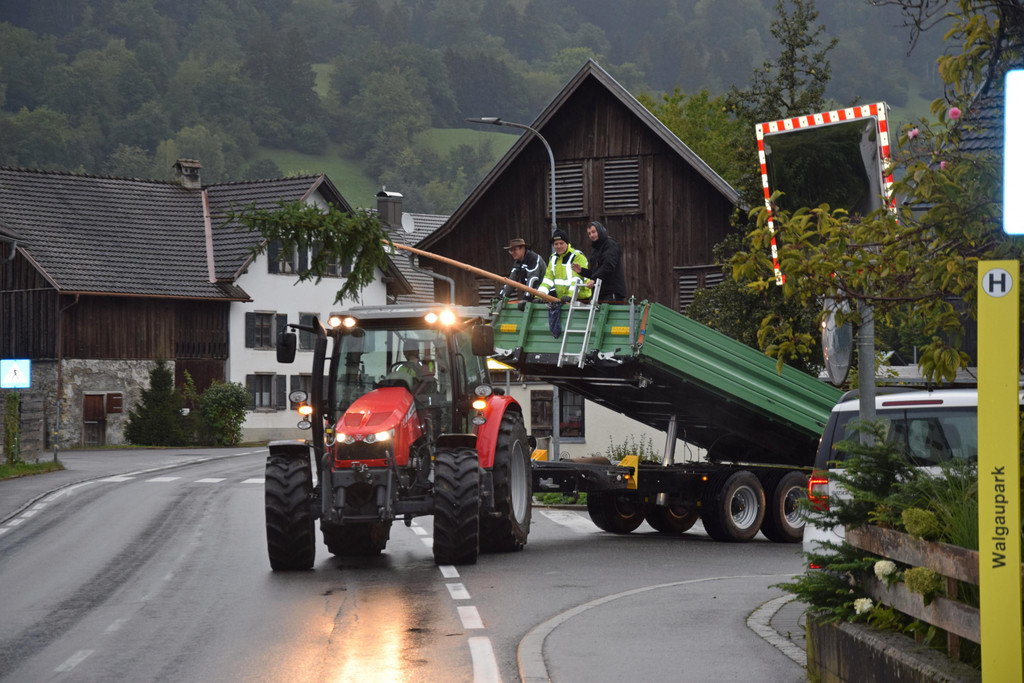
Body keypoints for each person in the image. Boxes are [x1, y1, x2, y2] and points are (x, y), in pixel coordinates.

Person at [572, 220, 627, 301]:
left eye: (593, 232)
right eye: (589, 233)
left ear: (600, 231)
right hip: (600, 292)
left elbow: (608, 266)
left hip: (612, 292)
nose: (591, 235)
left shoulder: (610, 244)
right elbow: (596, 272)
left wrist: (594, 279)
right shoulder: (596, 249)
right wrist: (582, 271)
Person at [538, 229, 592, 302]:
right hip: (562, 300)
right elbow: (548, 280)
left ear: (567, 243)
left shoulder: (577, 256)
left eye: (561, 243)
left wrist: (570, 296)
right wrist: (539, 296)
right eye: (556, 244)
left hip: (580, 300)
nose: (558, 246)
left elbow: (577, 279)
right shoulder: (553, 258)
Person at [499, 237, 546, 306]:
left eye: (515, 250)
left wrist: (527, 298)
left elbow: (533, 279)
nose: (512, 253)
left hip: (544, 295)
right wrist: (502, 296)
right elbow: (511, 281)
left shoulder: (533, 258)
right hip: (532, 296)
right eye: (511, 251)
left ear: (523, 249)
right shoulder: (518, 262)